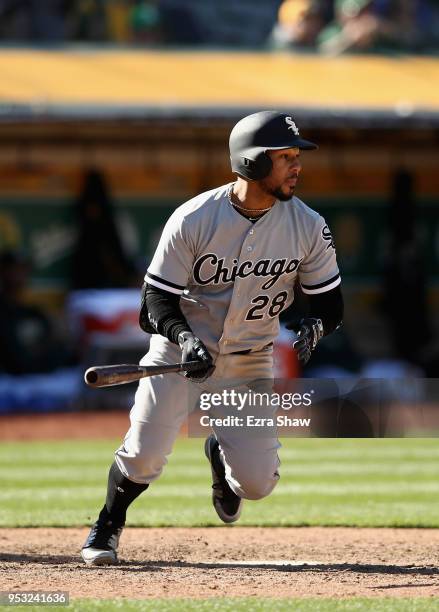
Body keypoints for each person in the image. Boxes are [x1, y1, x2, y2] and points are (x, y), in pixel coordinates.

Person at [81, 110, 344, 566]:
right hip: (180, 355)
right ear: (252, 162)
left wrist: (316, 324)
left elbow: (330, 303)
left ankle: (218, 452)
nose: (297, 165)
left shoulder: (308, 224)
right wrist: (185, 339)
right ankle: (107, 524)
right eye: (285, 157)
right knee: (144, 456)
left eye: (296, 156)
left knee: (257, 484)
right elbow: (155, 302)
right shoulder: (194, 217)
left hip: (249, 361)